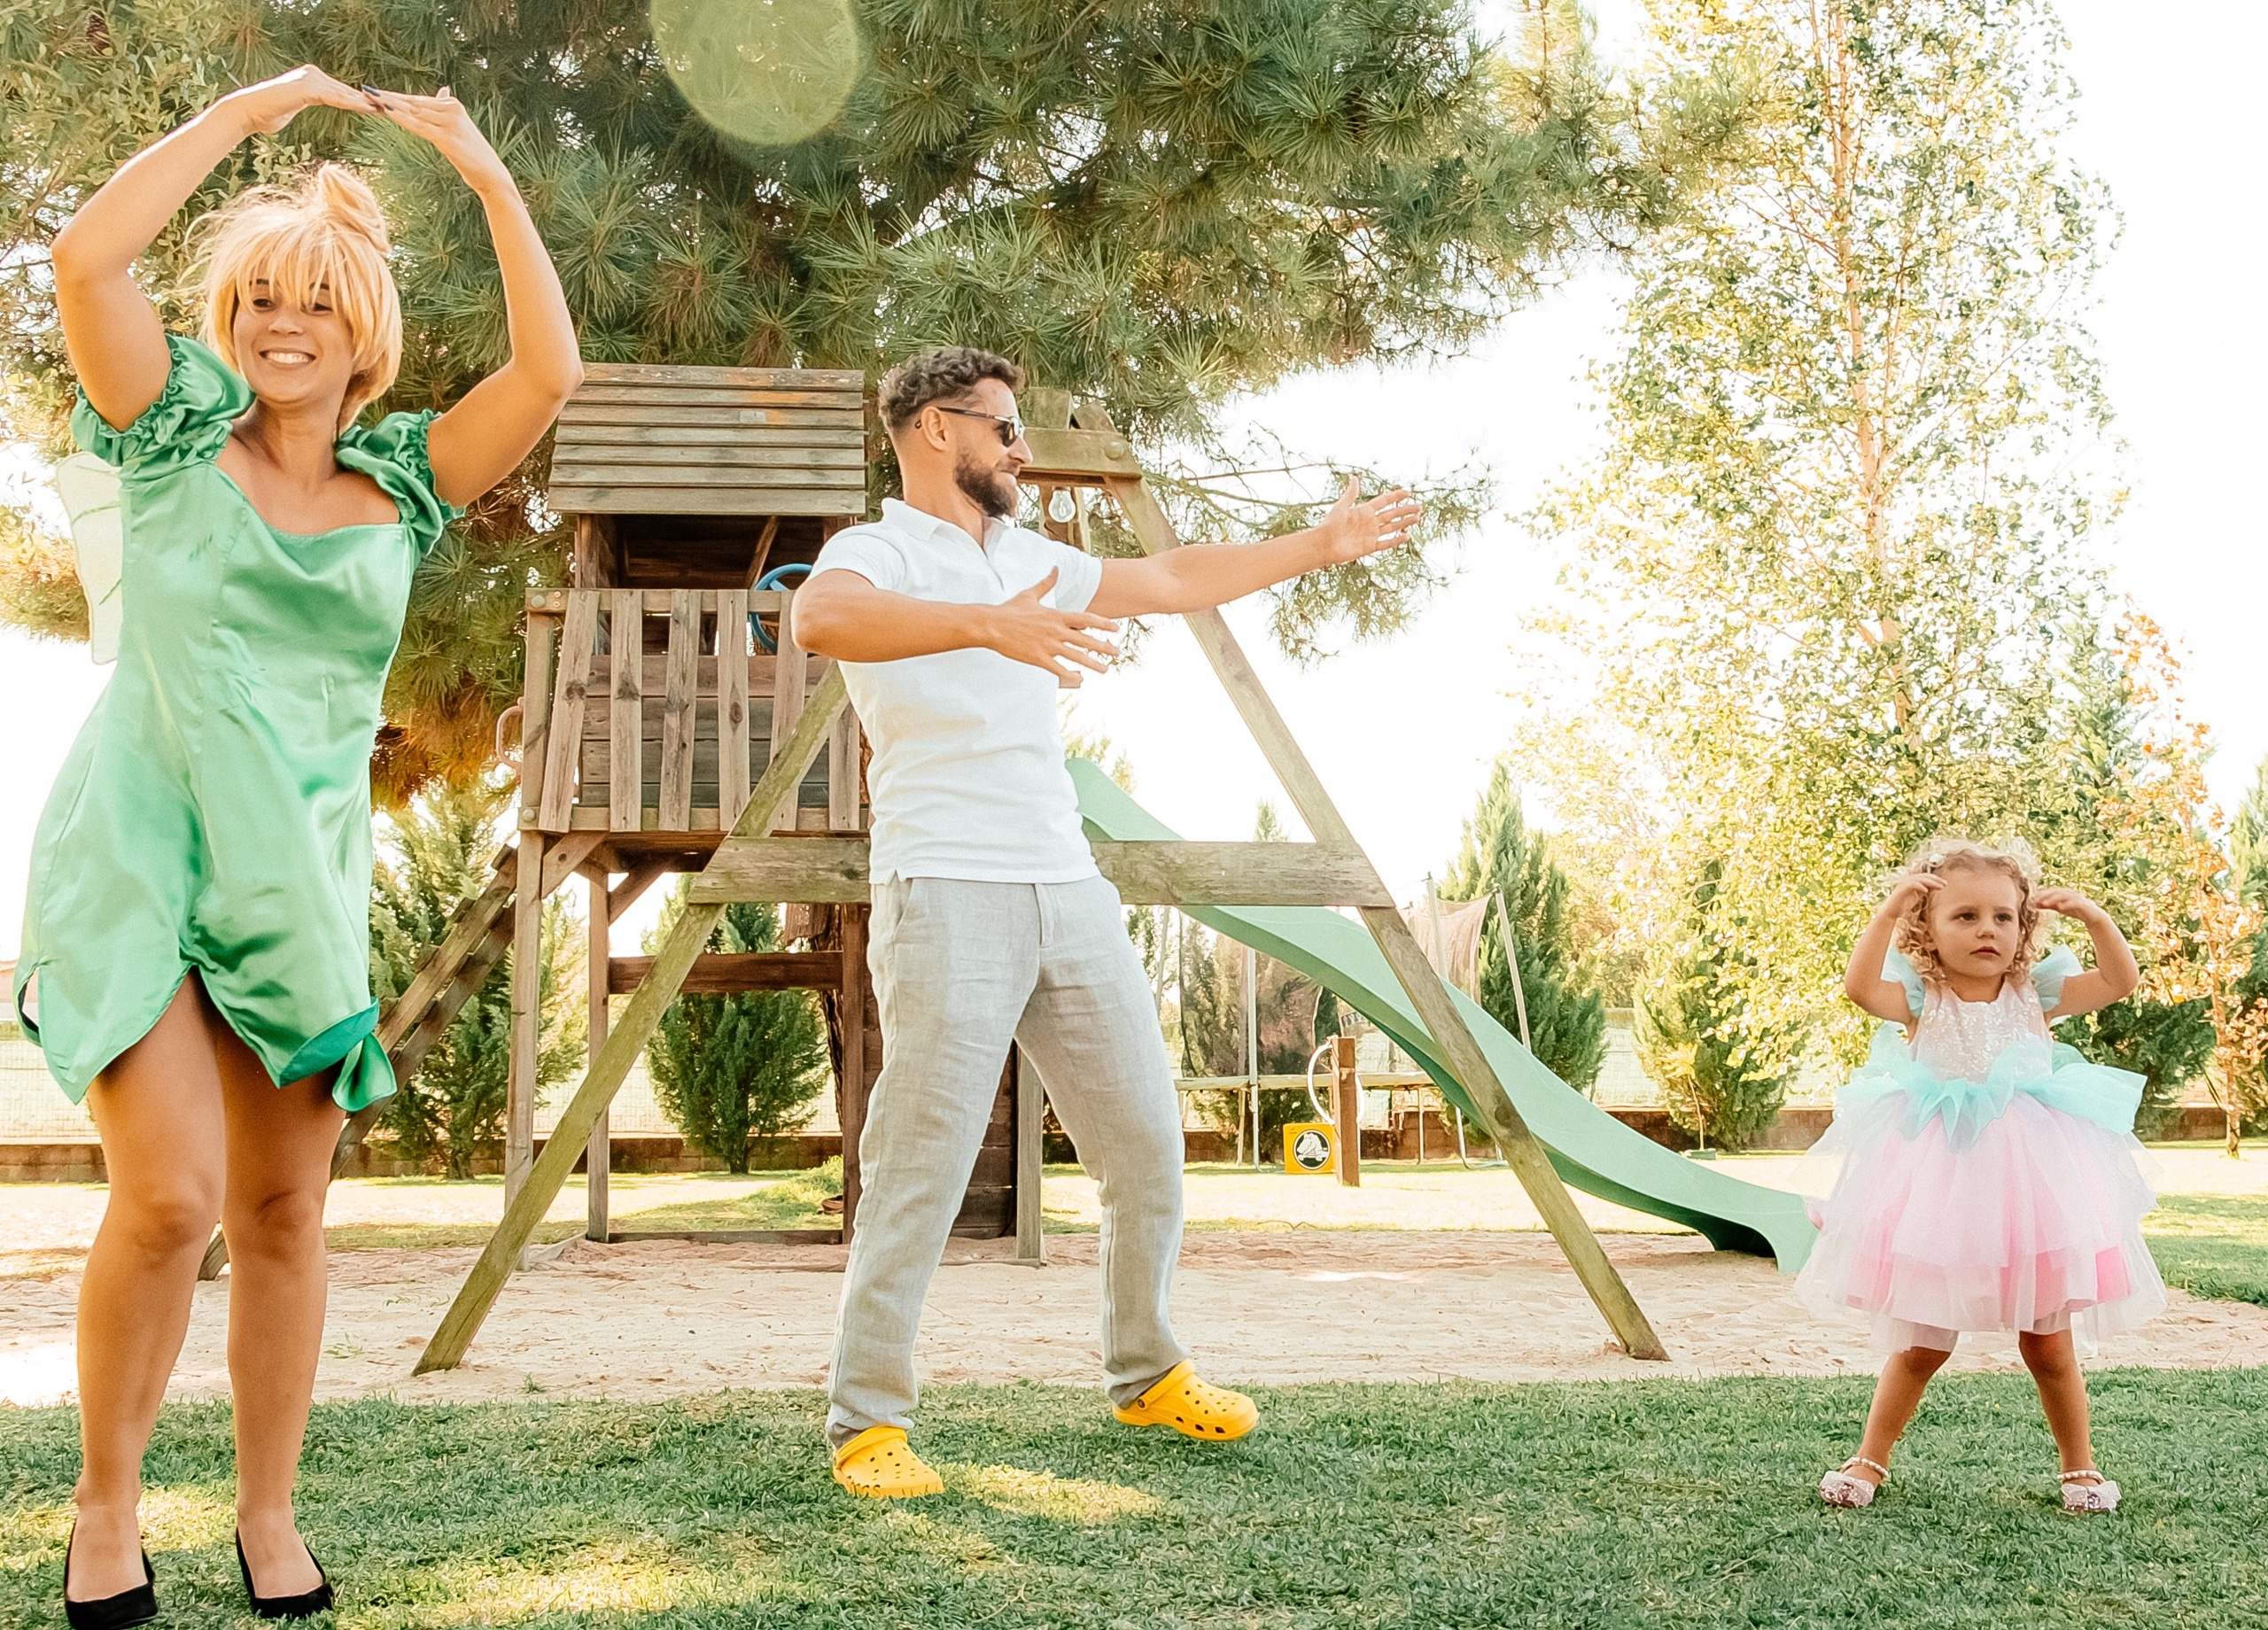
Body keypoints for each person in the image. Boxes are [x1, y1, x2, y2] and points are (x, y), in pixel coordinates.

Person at [20, 66, 580, 1624]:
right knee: (175, 1199)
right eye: (260, 295)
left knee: (283, 1215)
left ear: (362, 332)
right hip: (140, 850)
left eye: (315, 301)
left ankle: (269, 1515)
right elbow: (86, 263)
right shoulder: (167, 430)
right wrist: (243, 118)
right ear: (230, 317)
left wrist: (485, 175)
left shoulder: (399, 488)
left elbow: (549, 368)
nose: (285, 322)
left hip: (301, 883)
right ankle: (105, 1506)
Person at [792, 345, 1423, 1497]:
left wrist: (1316, 547)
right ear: (936, 430)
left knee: (1145, 1147)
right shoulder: (875, 551)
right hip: (945, 888)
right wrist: (981, 629)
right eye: (1003, 427)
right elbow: (822, 620)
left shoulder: (1028, 557)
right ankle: (866, 1419)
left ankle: (1146, 1370)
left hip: (1067, 890)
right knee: (917, 1167)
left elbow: (1173, 578)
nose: (1021, 448)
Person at [1797, 837, 2163, 1514]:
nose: (1986, 930)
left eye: (2003, 916)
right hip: (1940, 1189)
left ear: (2024, 927)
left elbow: (2119, 983)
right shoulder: (1920, 994)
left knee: (2049, 1342)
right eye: (1963, 916)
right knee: (1920, 1341)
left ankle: (2079, 1468)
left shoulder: (2035, 992)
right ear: (1926, 929)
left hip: (2033, 1187)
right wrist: (1885, 913)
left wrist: (2095, 918)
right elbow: (1857, 988)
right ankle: (1869, 1458)